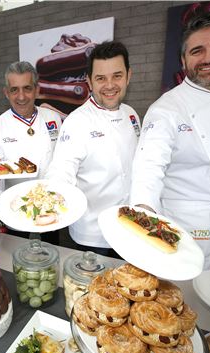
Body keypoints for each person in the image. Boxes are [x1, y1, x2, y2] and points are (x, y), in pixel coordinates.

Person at [129, 12, 210, 270]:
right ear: (184, 60)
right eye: (197, 51)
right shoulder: (166, 109)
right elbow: (148, 167)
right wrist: (142, 215)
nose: (208, 58)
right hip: (186, 222)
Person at [45, 41, 140, 255]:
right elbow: (62, 169)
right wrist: (50, 197)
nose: (109, 85)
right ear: (89, 81)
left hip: (130, 225)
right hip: (93, 234)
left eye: (117, 75)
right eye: (100, 78)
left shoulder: (132, 114)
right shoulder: (77, 121)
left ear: (128, 75)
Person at [0, 61, 62, 196]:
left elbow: (62, 158)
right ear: (6, 93)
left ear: (37, 90)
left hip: (52, 196)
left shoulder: (53, 118)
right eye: (14, 90)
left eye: (27, 88)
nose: (21, 96)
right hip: (16, 202)